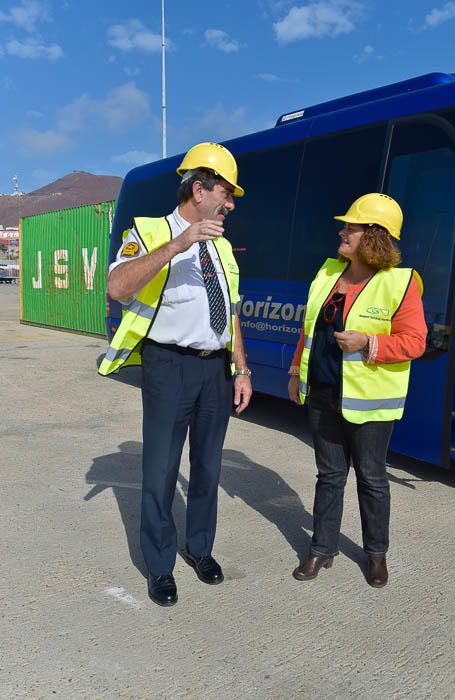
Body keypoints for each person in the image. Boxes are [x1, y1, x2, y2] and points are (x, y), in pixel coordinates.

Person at [99, 142, 252, 606]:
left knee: (207, 468)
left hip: (216, 371)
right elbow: (118, 286)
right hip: (169, 366)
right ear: (199, 189)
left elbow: (232, 312)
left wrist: (241, 367)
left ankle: (200, 549)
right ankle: (160, 565)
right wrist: (181, 243)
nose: (231, 203)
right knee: (162, 470)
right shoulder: (148, 231)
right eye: (226, 192)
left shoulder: (224, 247)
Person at [288, 193, 427, 588]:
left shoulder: (400, 283)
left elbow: (416, 342)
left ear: (374, 236)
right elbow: (309, 327)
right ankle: (321, 549)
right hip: (323, 393)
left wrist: (369, 342)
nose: (342, 232)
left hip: (369, 404)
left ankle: (376, 555)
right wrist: (297, 371)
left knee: (371, 478)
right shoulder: (328, 272)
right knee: (329, 475)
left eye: (351, 227)